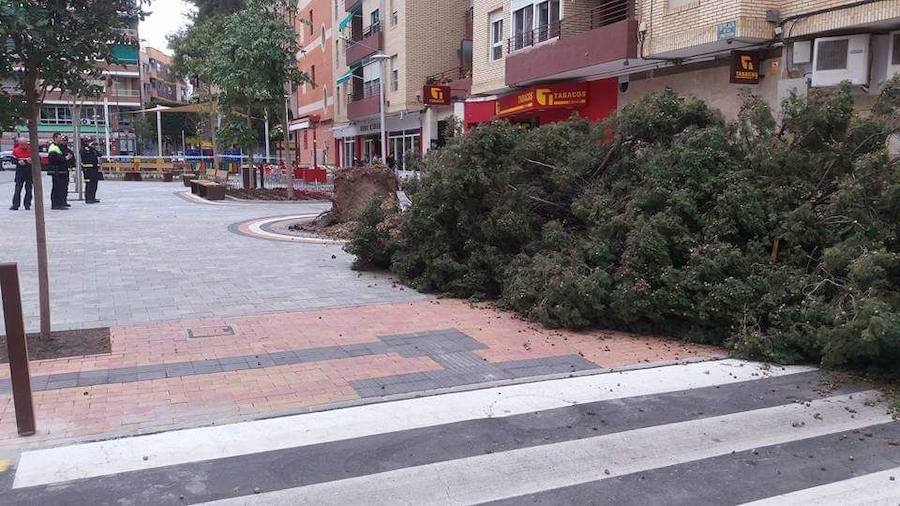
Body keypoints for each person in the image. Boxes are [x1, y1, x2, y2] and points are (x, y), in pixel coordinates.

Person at [47, 133, 72, 210]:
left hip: (61, 170)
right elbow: (53, 158)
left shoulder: (59, 147)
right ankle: (56, 204)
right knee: (57, 188)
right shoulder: (53, 147)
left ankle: (61, 203)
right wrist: (65, 158)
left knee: (62, 187)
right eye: (59, 137)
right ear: (55, 138)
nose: (61, 139)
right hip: (56, 170)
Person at [9, 137, 33, 211]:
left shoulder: (31, 149)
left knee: (29, 189)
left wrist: (31, 160)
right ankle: (15, 205)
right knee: (18, 189)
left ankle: (27, 205)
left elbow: (36, 158)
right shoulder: (16, 150)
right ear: (20, 144)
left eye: (25, 144)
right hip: (20, 172)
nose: (24, 145)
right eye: (22, 144)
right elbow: (12, 159)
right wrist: (18, 162)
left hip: (29, 171)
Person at [80, 139, 102, 204]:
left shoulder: (91, 149)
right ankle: (88, 198)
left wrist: (93, 148)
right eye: (88, 141)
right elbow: (85, 157)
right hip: (88, 170)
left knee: (94, 184)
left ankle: (93, 197)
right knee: (89, 184)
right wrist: (89, 149)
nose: (89, 143)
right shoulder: (83, 149)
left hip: (94, 169)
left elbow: (100, 154)